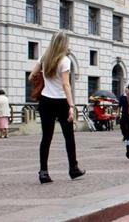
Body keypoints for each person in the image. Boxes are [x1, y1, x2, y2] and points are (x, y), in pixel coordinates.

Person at [28, 32, 85, 184]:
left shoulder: (44, 58)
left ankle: (44, 172)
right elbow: (66, 84)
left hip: (45, 101)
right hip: (61, 102)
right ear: (64, 44)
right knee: (69, 137)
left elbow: (31, 76)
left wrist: (44, 78)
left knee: (46, 137)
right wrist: (71, 105)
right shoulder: (65, 60)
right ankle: (73, 168)